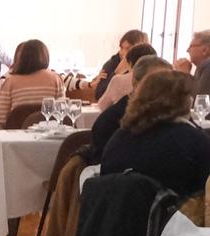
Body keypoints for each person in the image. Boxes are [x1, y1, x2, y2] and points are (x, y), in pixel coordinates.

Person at [100, 69, 210, 200]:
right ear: (182, 102)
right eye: (188, 96)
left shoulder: (118, 138)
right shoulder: (193, 141)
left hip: (116, 216)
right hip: (175, 217)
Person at [86, 49, 169, 161]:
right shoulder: (114, 121)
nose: (164, 87)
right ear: (135, 83)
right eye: (155, 82)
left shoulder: (174, 116)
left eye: (168, 82)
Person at [0, 39, 62, 124]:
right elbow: (61, 114)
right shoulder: (56, 79)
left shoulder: (9, 82)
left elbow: (1, 120)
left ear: (20, 58)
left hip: (16, 135)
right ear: (45, 56)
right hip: (50, 134)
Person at [96, 40, 162, 111]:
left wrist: (117, 72)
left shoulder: (119, 80)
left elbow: (102, 105)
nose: (122, 52)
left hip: (122, 120)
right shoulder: (161, 79)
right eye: (121, 48)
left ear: (129, 62)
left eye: (127, 48)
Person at [89, 29, 148, 99]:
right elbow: (99, 96)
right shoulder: (111, 63)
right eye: (121, 48)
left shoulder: (149, 65)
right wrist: (116, 74)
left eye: (128, 49)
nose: (122, 52)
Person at [187, 28, 210, 94]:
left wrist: (183, 73)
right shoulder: (202, 66)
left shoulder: (207, 65)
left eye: (190, 47)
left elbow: (199, 100)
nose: (187, 50)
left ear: (204, 50)